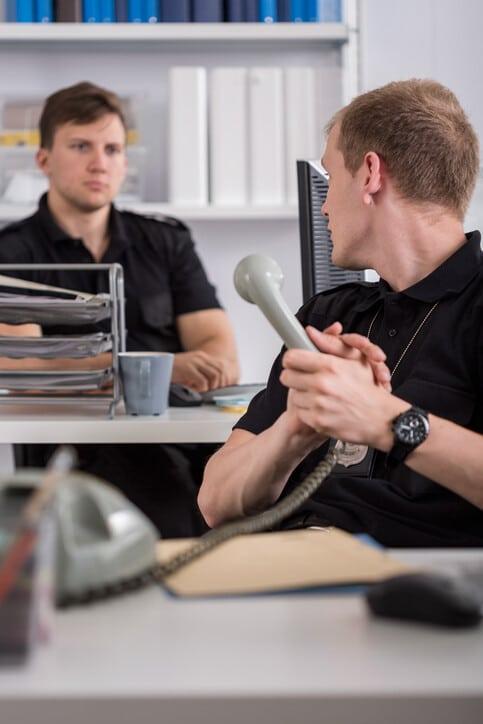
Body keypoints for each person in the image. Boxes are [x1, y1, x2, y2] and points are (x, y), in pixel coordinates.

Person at [198, 78, 483, 548]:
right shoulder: (329, 316)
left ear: (370, 173)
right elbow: (215, 502)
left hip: (414, 586)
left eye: (331, 180)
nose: (325, 205)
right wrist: (299, 427)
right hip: (293, 563)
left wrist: (386, 420)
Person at [0, 81, 239, 537]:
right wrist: (161, 369)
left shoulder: (167, 241)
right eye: (81, 146)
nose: (99, 162)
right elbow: (24, 368)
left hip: (182, 444)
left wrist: (106, 370)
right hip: (71, 458)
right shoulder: (13, 254)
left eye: (112, 148)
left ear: (125, 162)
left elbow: (220, 358)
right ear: (44, 160)